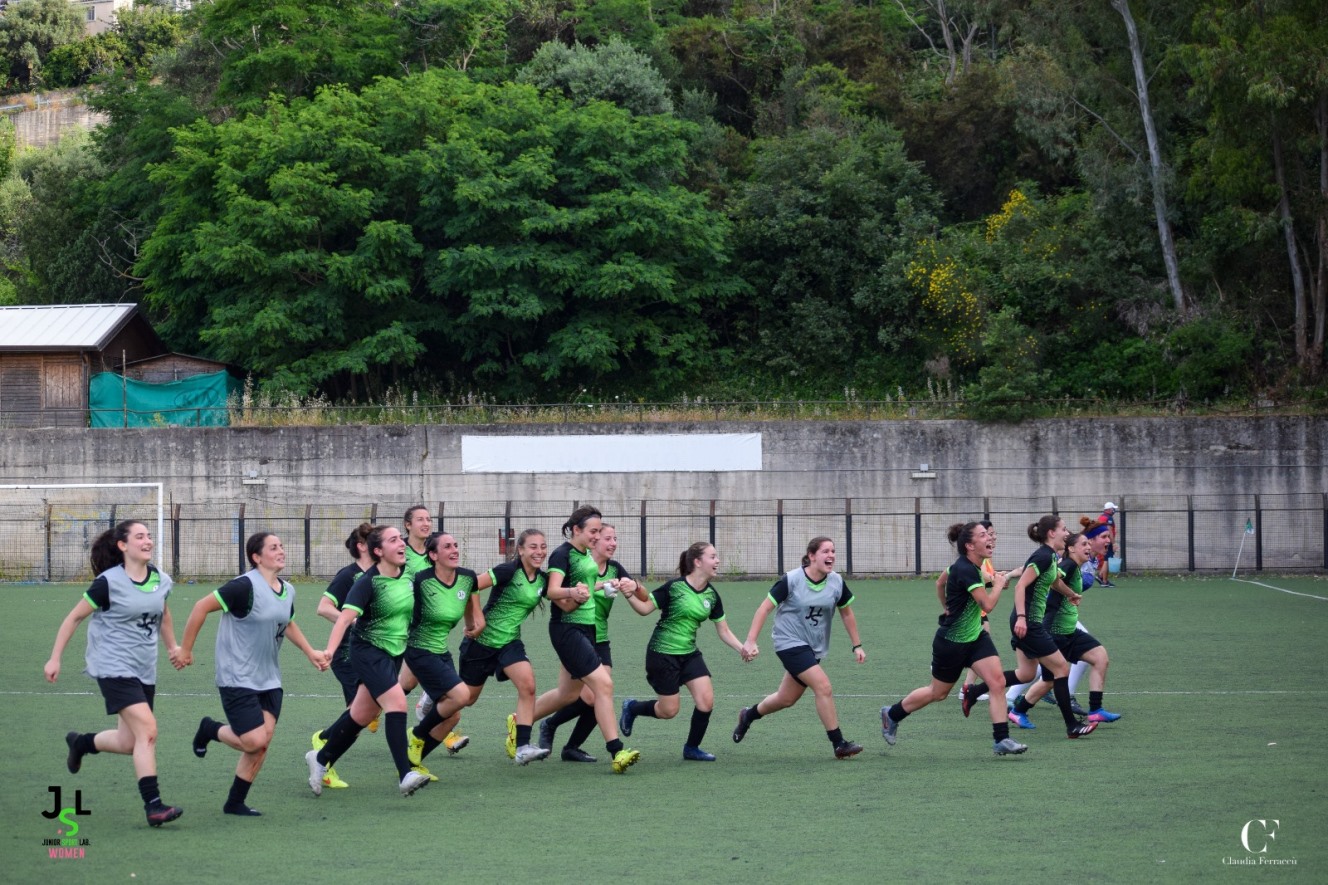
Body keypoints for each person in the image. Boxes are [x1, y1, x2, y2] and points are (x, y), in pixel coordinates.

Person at [44, 520, 184, 827]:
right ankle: (154, 806)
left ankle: (82, 743)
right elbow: (73, 618)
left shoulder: (160, 579)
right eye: (140, 536)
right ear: (123, 545)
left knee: (128, 742)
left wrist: (173, 646)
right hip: (112, 666)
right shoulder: (108, 583)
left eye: (149, 536)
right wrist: (55, 658)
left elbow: (163, 612)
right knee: (147, 731)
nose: (148, 541)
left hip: (143, 668)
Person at [180, 532, 327, 815]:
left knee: (263, 742)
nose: (281, 550)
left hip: (269, 678)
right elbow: (200, 607)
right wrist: (186, 649)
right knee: (254, 740)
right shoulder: (243, 587)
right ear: (256, 557)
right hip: (237, 676)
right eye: (274, 548)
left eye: (282, 546)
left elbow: (288, 624)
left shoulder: (288, 590)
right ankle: (210, 729)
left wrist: (311, 653)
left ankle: (235, 803)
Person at [879, 522, 1026, 756]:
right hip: (951, 642)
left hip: (975, 637)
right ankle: (892, 714)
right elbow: (987, 604)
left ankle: (1002, 739)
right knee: (937, 693)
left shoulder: (974, 567)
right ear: (969, 545)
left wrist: (950, 604)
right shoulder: (964, 569)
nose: (989, 538)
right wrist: (997, 585)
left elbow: (941, 582)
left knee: (997, 682)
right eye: (983, 535)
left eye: (988, 534)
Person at [304, 525, 431, 797]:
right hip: (367, 652)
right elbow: (346, 619)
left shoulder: (409, 576)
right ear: (378, 551)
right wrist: (328, 651)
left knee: (362, 715)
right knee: (396, 703)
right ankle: (404, 774)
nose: (402, 544)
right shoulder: (367, 582)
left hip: (394, 653)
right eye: (394, 540)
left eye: (401, 539)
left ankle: (321, 758)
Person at [525, 505, 639, 771]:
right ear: (576, 530)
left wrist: (602, 586)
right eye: (594, 531)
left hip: (587, 629)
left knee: (568, 694)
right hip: (568, 628)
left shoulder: (586, 554)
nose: (598, 537)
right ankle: (616, 752)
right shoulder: (562, 554)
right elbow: (552, 591)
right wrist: (573, 593)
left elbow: (586, 583)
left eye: (601, 531)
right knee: (603, 686)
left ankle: (521, 720)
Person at [733, 537, 866, 759]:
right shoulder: (792, 580)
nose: (831, 555)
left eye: (833, 551)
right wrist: (750, 640)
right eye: (825, 551)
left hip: (813, 646)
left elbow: (846, 612)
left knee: (786, 699)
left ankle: (748, 715)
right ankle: (839, 743)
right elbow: (764, 609)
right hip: (788, 642)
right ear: (812, 556)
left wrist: (857, 645)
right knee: (823, 686)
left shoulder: (836, 582)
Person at [970, 515, 1097, 740]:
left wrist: (1071, 594)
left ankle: (975, 691)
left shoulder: (1051, 557)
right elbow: (1020, 586)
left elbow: (1055, 581)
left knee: (1026, 673)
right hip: (1028, 621)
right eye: (1064, 529)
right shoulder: (1043, 556)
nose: (1067, 533)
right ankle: (1072, 726)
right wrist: (1021, 617)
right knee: (1061, 669)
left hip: (1028, 621)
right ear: (1052, 533)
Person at [619, 542, 747, 761]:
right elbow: (645, 609)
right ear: (698, 562)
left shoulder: (712, 596)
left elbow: (723, 630)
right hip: (662, 653)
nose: (717, 561)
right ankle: (632, 707)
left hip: (689, 654)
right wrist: (629, 594)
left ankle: (691, 748)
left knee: (706, 701)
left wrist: (741, 649)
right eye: (713, 557)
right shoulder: (674, 587)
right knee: (668, 711)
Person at [1018, 530, 1122, 724]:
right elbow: (1053, 579)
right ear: (1071, 548)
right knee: (1048, 679)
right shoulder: (1068, 565)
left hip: (1069, 631)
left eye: (1088, 544)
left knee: (1100, 657)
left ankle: (1096, 709)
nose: (1088, 547)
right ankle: (1018, 708)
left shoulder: (1076, 566)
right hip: (1054, 631)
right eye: (1083, 544)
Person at [403, 531, 484, 776]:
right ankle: (416, 734)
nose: (454, 550)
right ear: (433, 555)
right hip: (418, 649)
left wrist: (474, 626)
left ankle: (411, 766)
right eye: (447, 546)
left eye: (456, 545)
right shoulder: (421, 580)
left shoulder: (468, 578)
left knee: (452, 716)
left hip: (440, 650)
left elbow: (472, 610)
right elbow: (403, 611)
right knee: (460, 695)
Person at [311, 523, 374, 790]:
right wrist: (351, 621)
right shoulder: (349, 575)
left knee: (364, 714)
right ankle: (323, 756)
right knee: (356, 716)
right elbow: (323, 608)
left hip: (371, 652)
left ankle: (324, 741)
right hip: (347, 654)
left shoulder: (380, 575)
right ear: (362, 546)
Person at [955, 521, 1022, 703]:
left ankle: (967, 686)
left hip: (977, 610)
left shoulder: (985, 558)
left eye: (992, 533)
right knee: (978, 651)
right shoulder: (971, 564)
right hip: (976, 610)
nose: (992, 537)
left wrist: (1000, 580)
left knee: (979, 651)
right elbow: (986, 586)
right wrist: (1006, 577)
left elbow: (989, 581)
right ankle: (960, 678)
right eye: (986, 534)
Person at [1097, 502, 1118, 587]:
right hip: (1106, 541)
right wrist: (1113, 543)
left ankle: (1100, 576)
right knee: (1107, 560)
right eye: (1113, 509)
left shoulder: (1101, 517)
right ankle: (1104, 581)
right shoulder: (1109, 518)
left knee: (1106, 559)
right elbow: (1109, 531)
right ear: (1109, 509)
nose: (1114, 510)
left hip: (1100, 540)